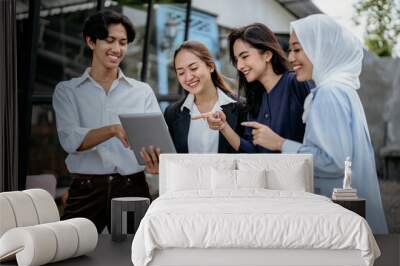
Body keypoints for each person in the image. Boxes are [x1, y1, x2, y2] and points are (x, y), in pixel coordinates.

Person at [242, 14, 388, 234]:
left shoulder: (328, 94)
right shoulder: (343, 89)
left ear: (320, 47)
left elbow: (333, 162)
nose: (291, 58)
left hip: (339, 218)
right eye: (290, 50)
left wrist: (280, 143)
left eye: (298, 49)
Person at [53, 11, 161, 233]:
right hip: (86, 189)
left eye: (123, 42)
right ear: (91, 41)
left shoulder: (141, 92)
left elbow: (157, 140)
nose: (117, 49)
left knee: (132, 259)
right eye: (109, 40)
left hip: (132, 186)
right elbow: (70, 140)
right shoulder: (67, 91)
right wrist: (113, 129)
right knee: (74, 255)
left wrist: (156, 160)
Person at [195, 23, 312, 153]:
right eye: (236, 60)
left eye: (244, 56)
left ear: (267, 55)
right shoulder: (256, 99)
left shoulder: (297, 83)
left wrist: (279, 143)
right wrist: (223, 126)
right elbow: (253, 152)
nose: (239, 66)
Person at [141, 41, 244, 173]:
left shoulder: (241, 108)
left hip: (227, 190)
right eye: (181, 72)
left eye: (193, 68)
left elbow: (250, 156)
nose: (188, 77)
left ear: (210, 67)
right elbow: (173, 161)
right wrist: (160, 167)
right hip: (187, 190)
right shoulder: (173, 113)